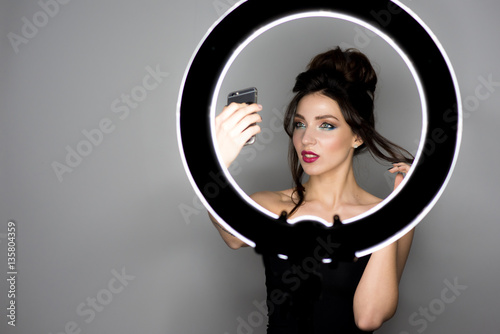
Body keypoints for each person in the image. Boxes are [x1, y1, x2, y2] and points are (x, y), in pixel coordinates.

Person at [210, 46, 414, 333]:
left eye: (326, 126)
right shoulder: (274, 206)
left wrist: (394, 213)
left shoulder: (391, 216)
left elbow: (369, 317)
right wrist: (215, 162)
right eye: (300, 124)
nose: (307, 139)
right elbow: (231, 235)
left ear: (357, 136)